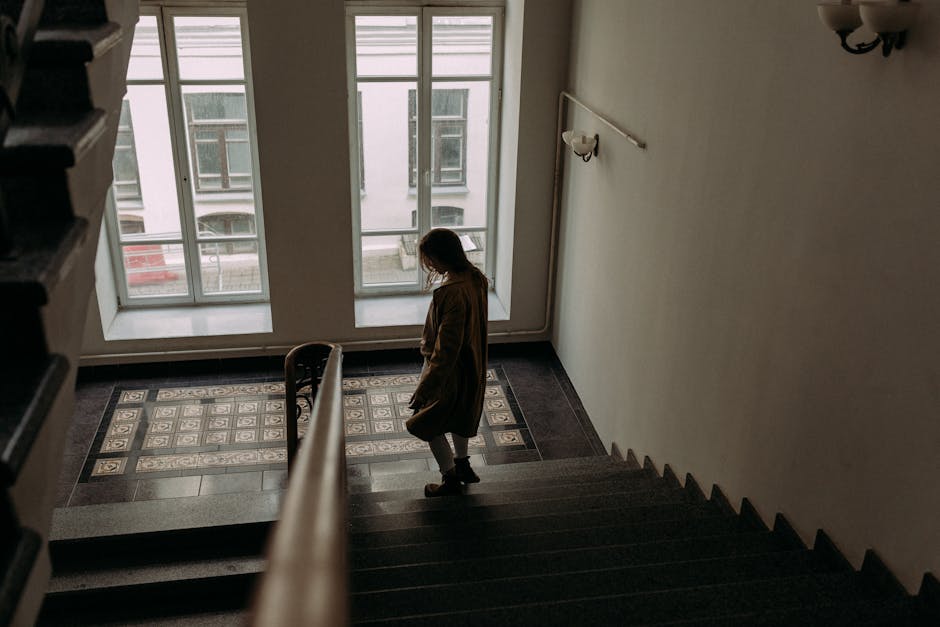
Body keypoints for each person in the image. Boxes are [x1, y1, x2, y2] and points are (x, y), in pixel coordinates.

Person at [406, 228, 488, 497]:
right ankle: (462, 464)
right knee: (459, 416)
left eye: (430, 259)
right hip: (471, 365)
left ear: (440, 256)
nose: (429, 264)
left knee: (425, 422)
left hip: (448, 371)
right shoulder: (475, 278)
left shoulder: (451, 292)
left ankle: (450, 477)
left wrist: (426, 387)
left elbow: (446, 350)